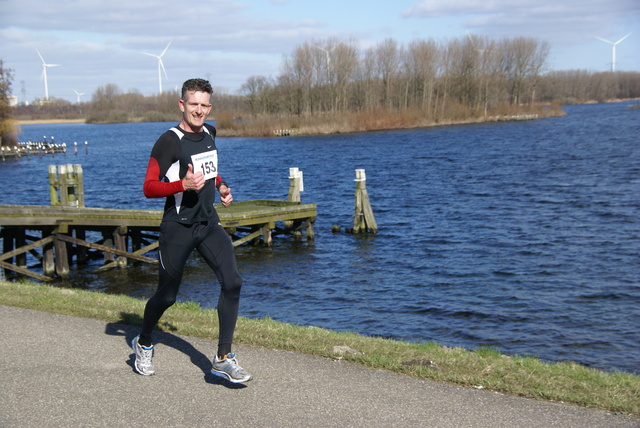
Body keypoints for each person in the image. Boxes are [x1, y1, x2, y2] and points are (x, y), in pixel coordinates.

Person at [131, 78, 252, 383]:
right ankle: (144, 342)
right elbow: (148, 187)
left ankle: (223, 358)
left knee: (233, 282)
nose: (198, 111)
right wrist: (181, 185)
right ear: (182, 105)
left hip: (208, 223)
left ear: (209, 108)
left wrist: (222, 186)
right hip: (178, 227)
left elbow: (208, 169)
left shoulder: (210, 132)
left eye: (204, 105)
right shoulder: (169, 141)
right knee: (167, 296)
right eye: (193, 104)